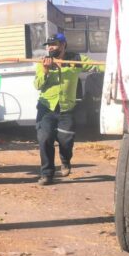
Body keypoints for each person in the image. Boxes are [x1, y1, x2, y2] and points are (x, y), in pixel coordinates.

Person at [33, 32, 103, 185]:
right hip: (46, 108)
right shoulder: (43, 62)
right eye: (49, 45)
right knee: (45, 139)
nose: (51, 47)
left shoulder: (76, 59)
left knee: (66, 141)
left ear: (63, 45)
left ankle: (65, 160)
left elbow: (96, 66)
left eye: (54, 44)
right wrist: (45, 71)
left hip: (67, 108)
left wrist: (110, 67)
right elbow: (37, 85)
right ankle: (47, 174)